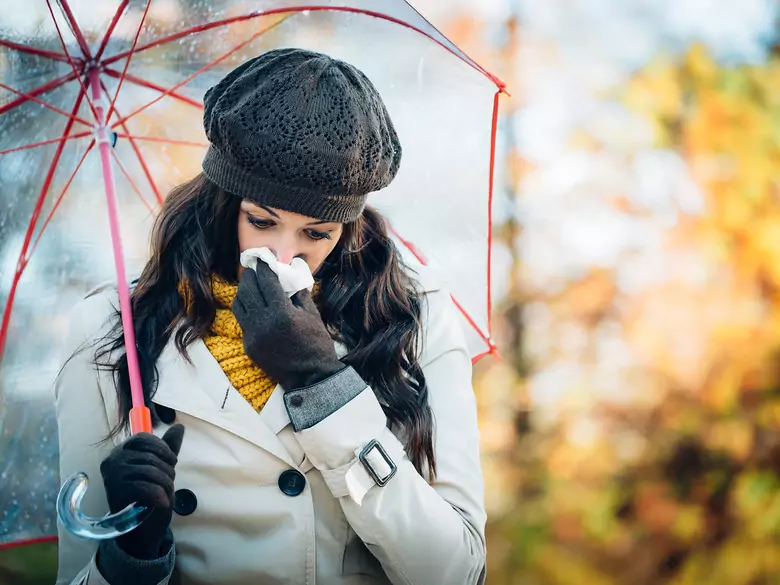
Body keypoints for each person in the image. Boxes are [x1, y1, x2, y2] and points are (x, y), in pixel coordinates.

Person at [55, 48, 486, 585]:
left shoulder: (412, 315)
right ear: (223, 200)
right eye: (261, 221)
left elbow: (458, 571)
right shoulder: (111, 327)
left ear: (347, 227)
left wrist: (324, 388)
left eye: (317, 233)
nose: (284, 256)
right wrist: (133, 555)